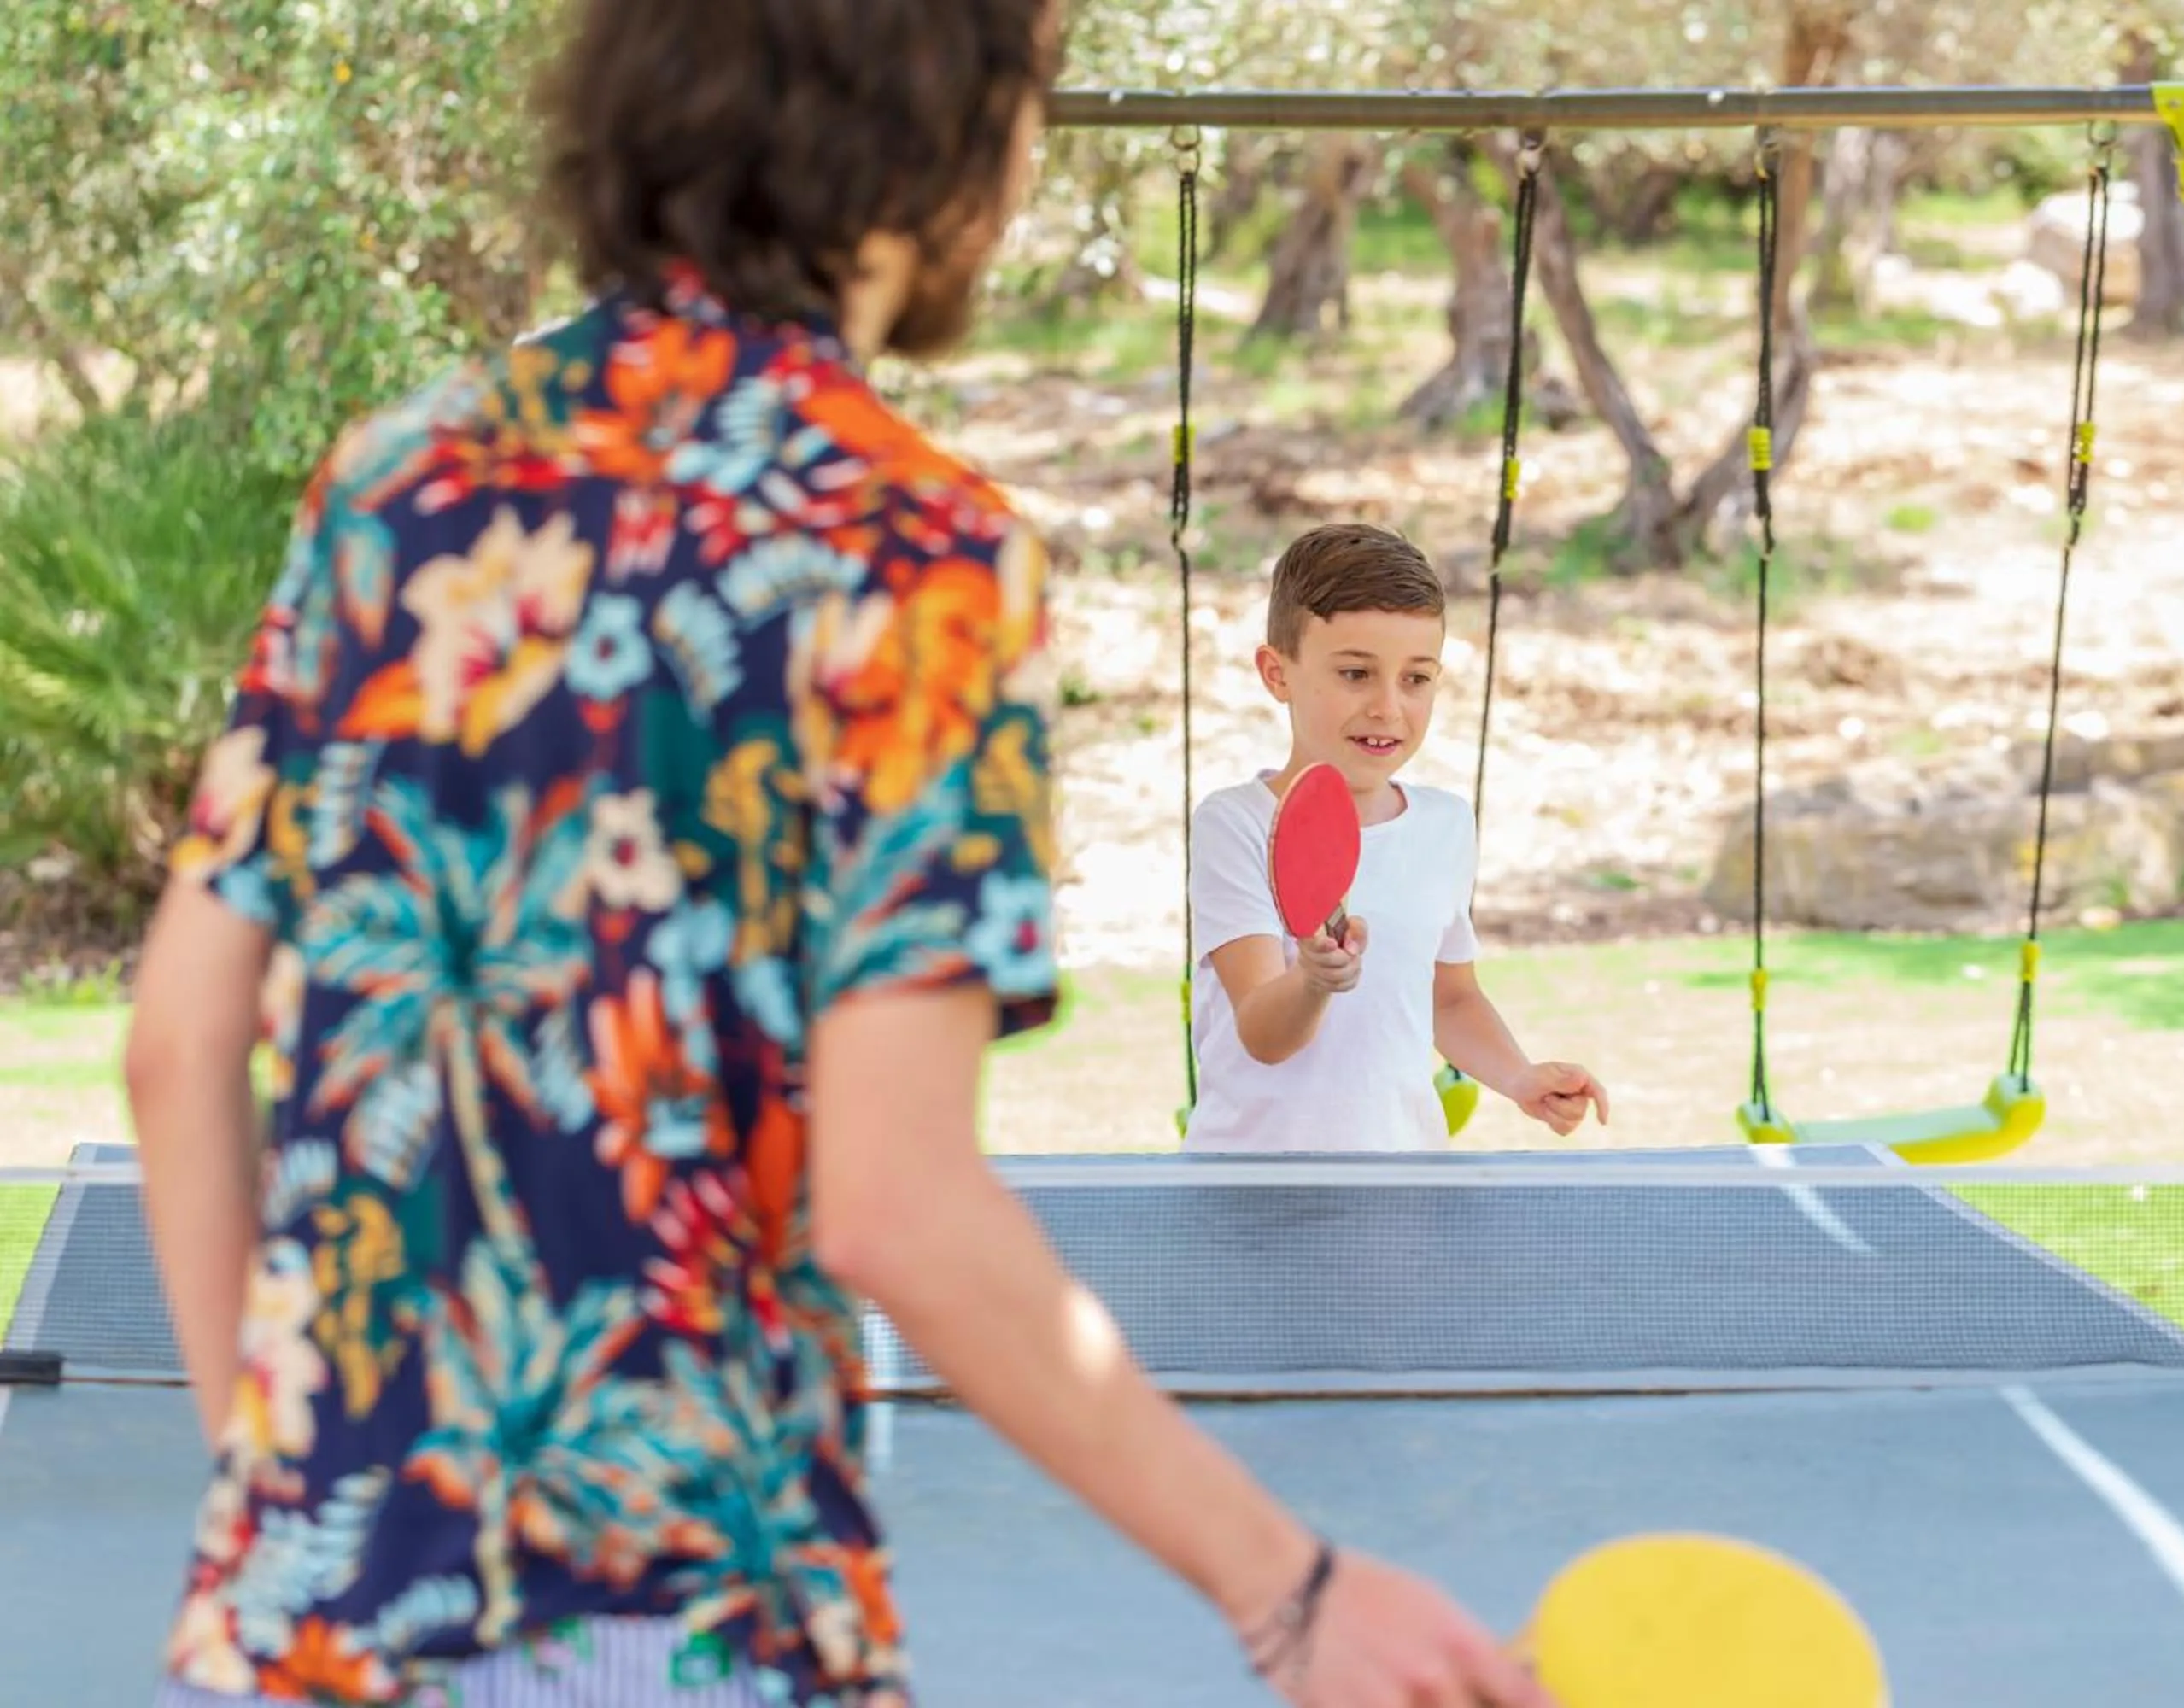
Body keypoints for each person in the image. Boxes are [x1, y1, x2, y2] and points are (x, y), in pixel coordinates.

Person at [119, 3, 1559, 1705]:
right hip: (685, 1607)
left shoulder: (398, 479)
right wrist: (1289, 1587)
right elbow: (897, 1204)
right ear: (935, 130)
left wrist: (277, 1494)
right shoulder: (907, 546)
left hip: (314, 1602)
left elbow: (177, 1045)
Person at [1182, 523, 1610, 1154]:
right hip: (1253, 1193)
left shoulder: (1445, 824)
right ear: (1278, 673)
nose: (1388, 706)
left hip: (1405, 1185)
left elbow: (1451, 997)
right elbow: (1263, 1034)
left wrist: (1518, 1076)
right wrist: (1314, 982)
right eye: (1356, 673)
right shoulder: (1235, 824)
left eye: (1416, 679)